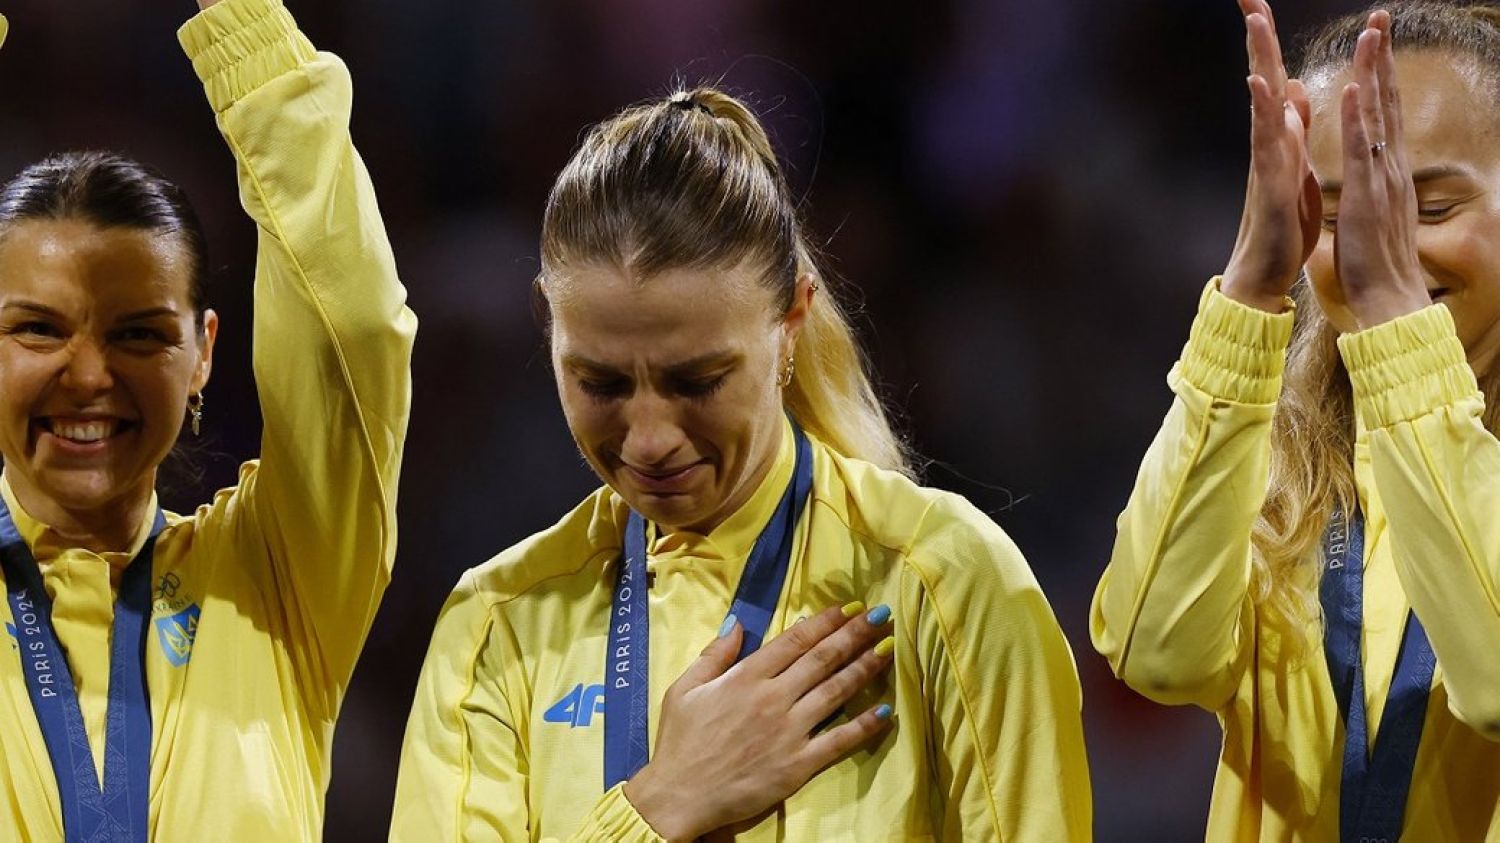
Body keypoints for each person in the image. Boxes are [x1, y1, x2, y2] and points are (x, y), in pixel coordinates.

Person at [391, 88, 1090, 840]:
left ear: (791, 318)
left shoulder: (947, 582)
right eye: (602, 383)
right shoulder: (495, 627)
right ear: (547, 324)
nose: (650, 436)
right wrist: (658, 806)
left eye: (697, 381)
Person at [0, 0, 414, 838]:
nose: (88, 375)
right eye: (39, 328)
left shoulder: (280, 577)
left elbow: (354, 326)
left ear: (204, 353)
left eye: (139, 333)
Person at [1092, 1, 1500, 839]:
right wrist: (1248, 289)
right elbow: (1155, 652)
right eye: (1342, 216)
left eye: (1428, 210)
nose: (1381, 249)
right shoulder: (1270, 453)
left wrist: (1394, 323)